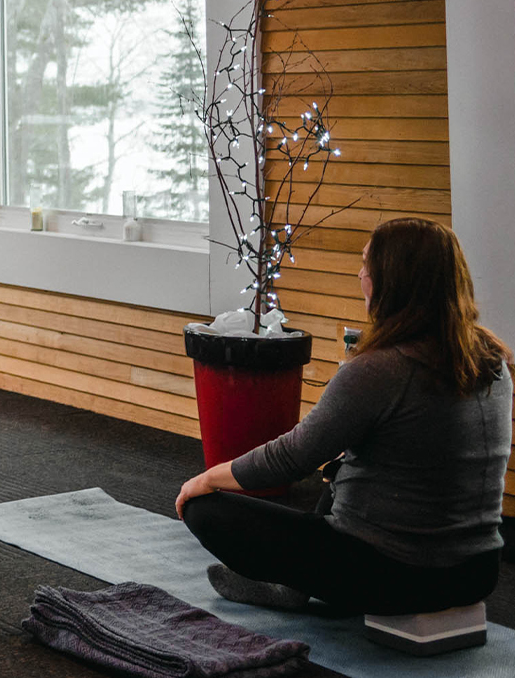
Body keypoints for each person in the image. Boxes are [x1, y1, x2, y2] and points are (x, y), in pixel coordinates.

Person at [176, 217, 509, 616]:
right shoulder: (492, 362)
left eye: (368, 264)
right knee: (341, 466)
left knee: (206, 509)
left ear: (392, 280)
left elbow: (291, 458)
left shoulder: (382, 369)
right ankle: (290, 589)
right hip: (479, 572)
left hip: (394, 575)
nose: (360, 274)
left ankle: (298, 585)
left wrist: (206, 478)